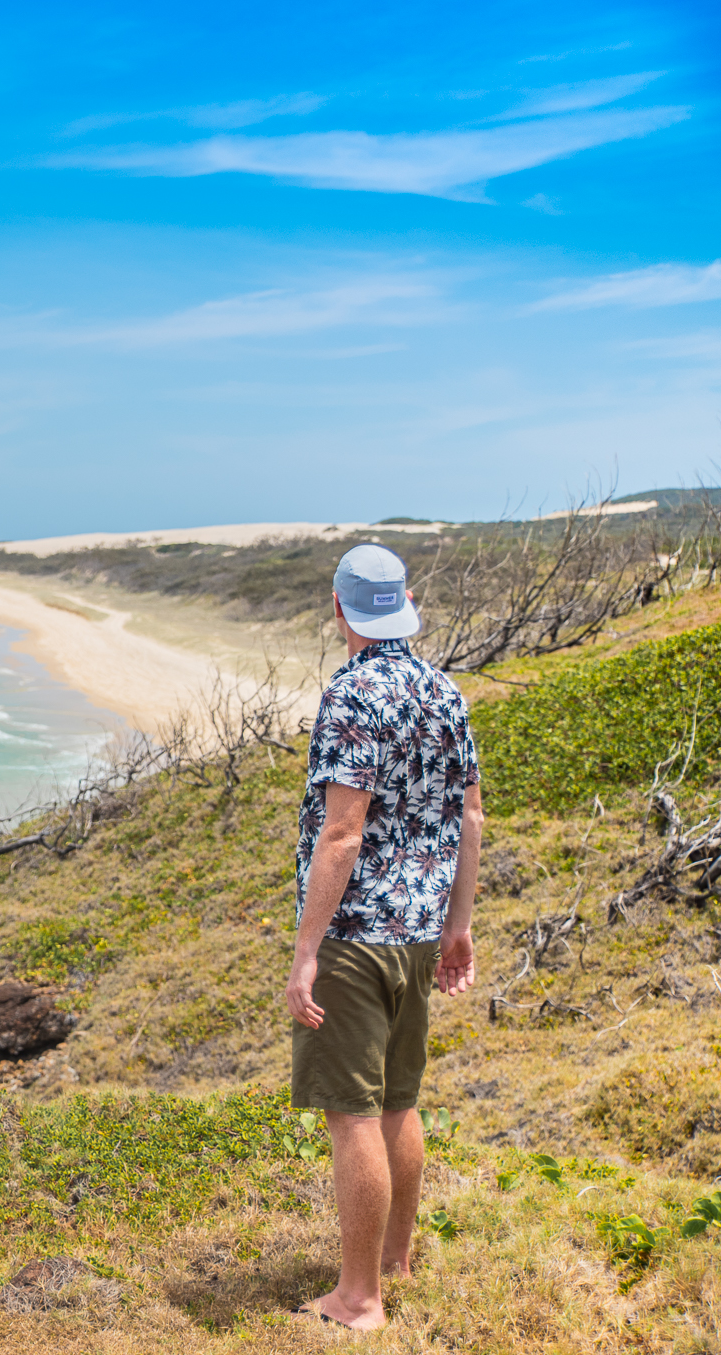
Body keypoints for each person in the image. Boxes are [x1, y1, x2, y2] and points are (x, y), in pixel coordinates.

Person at [284, 543, 485, 1332]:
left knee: (353, 1113)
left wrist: (306, 949)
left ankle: (358, 1299)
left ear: (340, 609)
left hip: (357, 933)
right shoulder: (445, 691)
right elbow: (470, 814)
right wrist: (458, 924)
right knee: (399, 1100)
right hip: (420, 932)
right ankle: (395, 1260)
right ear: (402, 604)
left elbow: (341, 833)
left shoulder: (350, 696)